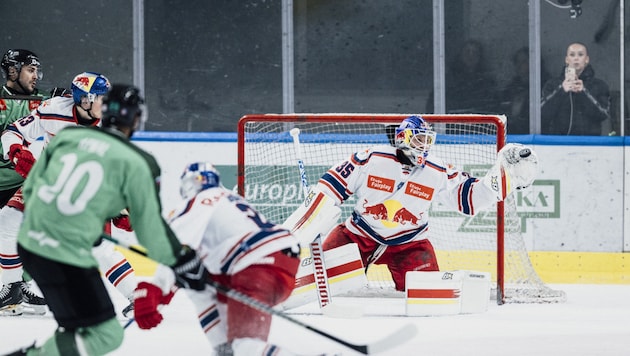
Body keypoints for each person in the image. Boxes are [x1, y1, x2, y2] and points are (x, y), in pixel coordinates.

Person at [6, 84, 206, 355]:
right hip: (67, 255)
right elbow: (150, 231)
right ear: (136, 118)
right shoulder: (139, 162)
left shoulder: (67, 138)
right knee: (106, 334)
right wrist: (182, 260)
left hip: (31, 247)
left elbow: (33, 189)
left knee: (77, 326)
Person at [286, 115, 538, 292]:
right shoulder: (370, 159)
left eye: (428, 140)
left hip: (410, 244)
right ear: (402, 137)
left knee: (428, 296)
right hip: (357, 236)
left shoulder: (437, 170)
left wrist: (502, 180)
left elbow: (469, 199)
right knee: (320, 285)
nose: (424, 146)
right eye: (419, 140)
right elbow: (330, 189)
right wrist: (316, 210)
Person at [0, 72, 138, 317]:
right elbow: (12, 131)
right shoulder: (54, 109)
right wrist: (17, 152)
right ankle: (12, 289)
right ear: (84, 100)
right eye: (101, 99)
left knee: (97, 247)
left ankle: (137, 294)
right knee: (8, 220)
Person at [165, 162, 301, 355]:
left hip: (255, 264)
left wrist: (153, 289)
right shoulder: (229, 199)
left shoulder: (200, 201)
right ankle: (228, 348)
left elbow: (169, 248)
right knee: (241, 344)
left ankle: (231, 347)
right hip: (281, 259)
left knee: (247, 348)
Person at [541, 42, 612, 135]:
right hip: (558, 143)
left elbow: (603, 114)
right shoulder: (553, 84)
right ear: (566, 59)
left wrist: (583, 92)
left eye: (580, 54)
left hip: (590, 143)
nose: (576, 58)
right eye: (572, 55)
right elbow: (542, 114)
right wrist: (561, 90)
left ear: (586, 59)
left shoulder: (599, 85)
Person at [425, 39, 499, 114]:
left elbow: (492, 106)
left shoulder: (486, 81)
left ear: (480, 56)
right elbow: (433, 105)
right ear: (461, 55)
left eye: (475, 53)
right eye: (467, 52)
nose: (471, 56)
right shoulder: (449, 79)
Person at [500, 46, 550, 134]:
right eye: (517, 62)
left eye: (523, 61)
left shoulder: (545, 85)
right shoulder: (512, 87)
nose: (519, 65)